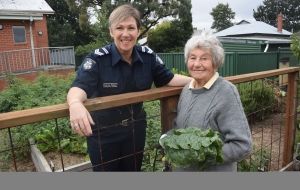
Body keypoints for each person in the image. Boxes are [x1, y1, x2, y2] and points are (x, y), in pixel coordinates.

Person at [67, 4, 191, 171]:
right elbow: (79, 86)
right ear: (111, 32)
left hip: (135, 130)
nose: (125, 34)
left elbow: (168, 78)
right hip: (104, 134)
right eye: (119, 28)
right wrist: (75, 103)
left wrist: (199, 80)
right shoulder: (98, 59)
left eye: (131, 28)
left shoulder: (148, 57)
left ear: (138, 31)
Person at [171, 31, 252, 171]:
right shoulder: (186, 90)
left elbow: (242, 145)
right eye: (192, 57)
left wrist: (203, 155)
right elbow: (180, 129)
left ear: (215, 62)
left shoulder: (226, 92)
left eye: (204, 58)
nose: (197, 64)